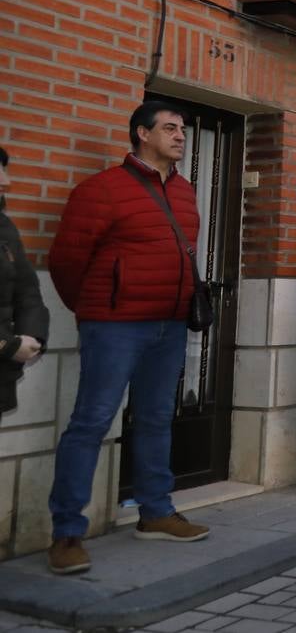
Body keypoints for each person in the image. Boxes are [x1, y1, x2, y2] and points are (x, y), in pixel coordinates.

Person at [46, 102, 211, 576]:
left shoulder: (184, 191)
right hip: (115, 325)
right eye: (170, 128)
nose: (180, 136)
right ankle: (66, 533)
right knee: (92, 421)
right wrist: (97, 308)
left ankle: (156, 512)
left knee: (158, 418)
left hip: (171, 324)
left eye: (183, 129)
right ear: (142, 134)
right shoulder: (102, 190)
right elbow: (66, 261)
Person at [0, 146, 49, 416]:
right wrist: (8, 345)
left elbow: (28, 291)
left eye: (3, 170)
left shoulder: (5, 228)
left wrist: (33, 335)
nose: (5, 181)